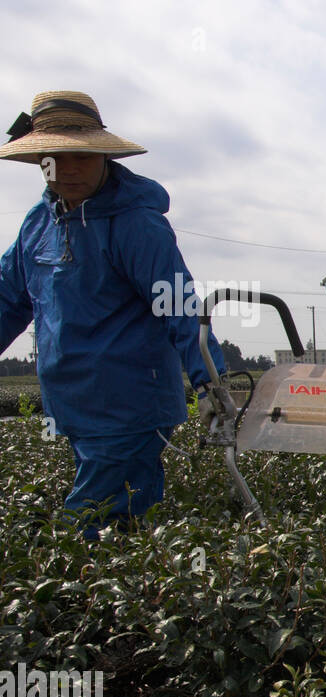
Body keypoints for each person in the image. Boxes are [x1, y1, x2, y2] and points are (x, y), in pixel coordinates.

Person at [0, 91, 227, 539]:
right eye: (53, 159)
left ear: (102, 153)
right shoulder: (37, 225)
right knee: (123, 529)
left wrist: (208, 380)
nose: (66, 170)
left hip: (130, 406)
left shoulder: (134, 223)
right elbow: (8, 301)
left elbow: (176, 303)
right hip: (72, 406)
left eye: (79, 157)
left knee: (88, 526)